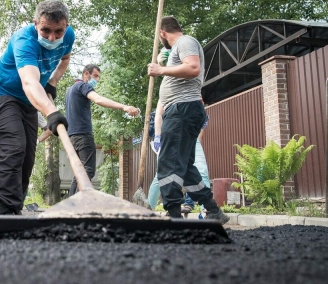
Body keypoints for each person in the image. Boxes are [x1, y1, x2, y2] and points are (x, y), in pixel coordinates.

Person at [0, 0, 73, 215]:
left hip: (29, 101)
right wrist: (51, 112)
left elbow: (65, 58)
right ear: (35, 23)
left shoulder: (68, 36)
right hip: (3, 95)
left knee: (27, 156)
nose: (52, 37)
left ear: (66, 27)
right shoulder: (24, 41)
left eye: (58, 31)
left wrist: (52, 83)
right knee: (13, 148)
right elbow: (29, 82)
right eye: (45, 30)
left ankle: (15, 207)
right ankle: (7, 210)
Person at [147, 16, 229, 224]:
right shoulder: (178, 48)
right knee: (185, 167)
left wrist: (161, 70)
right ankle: (213, 210)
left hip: (182, 110)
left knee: (169, 163)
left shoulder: (185, 42)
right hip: (183, 110)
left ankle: (173, 215)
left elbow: (193, 68)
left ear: (163, 33)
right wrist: (165, 64)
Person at [65, 64, 139, 196]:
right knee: (87, 171)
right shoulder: (83, 86)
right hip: (83, 135)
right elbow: (98, 99)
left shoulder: (70, 91)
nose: (97, 80)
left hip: (72, 137)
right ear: (86, 74)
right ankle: (78, 205)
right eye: (95, 76)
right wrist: (124, 107)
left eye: (98, 77)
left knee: (79, 172)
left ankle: (71, 205)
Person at [148, 100, 211, 213]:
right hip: (170, 136)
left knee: (202, 171)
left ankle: (207, 209)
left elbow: (200, 124)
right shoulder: (170, 88)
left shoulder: (194, 93)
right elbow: (158, 115)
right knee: (161, 175)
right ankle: (147, 209)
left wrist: (196, 144)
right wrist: (157, 136)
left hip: (190, 137)